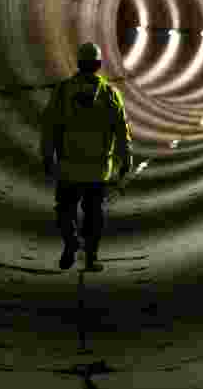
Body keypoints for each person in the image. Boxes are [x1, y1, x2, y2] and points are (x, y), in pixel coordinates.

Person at [41, 42, 133, 272]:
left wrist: (47, 155)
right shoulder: (110, 94)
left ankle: (71, 242)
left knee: (64, 210)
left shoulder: (62, 92)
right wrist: (126, 158)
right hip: (98, 170)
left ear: (78, 64)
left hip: (69, 168)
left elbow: (50, 126)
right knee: (94, 216)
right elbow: (121, 129)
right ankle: (91, 258)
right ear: (99, 65)